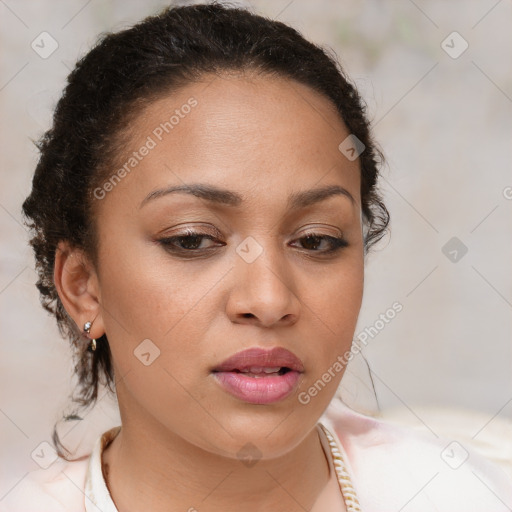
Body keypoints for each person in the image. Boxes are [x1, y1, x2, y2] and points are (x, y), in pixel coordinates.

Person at [4, 3, 511, 511]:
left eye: (315, 240)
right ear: (83, 286)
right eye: (193, 239)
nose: (269, 300)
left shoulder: (456, 494)